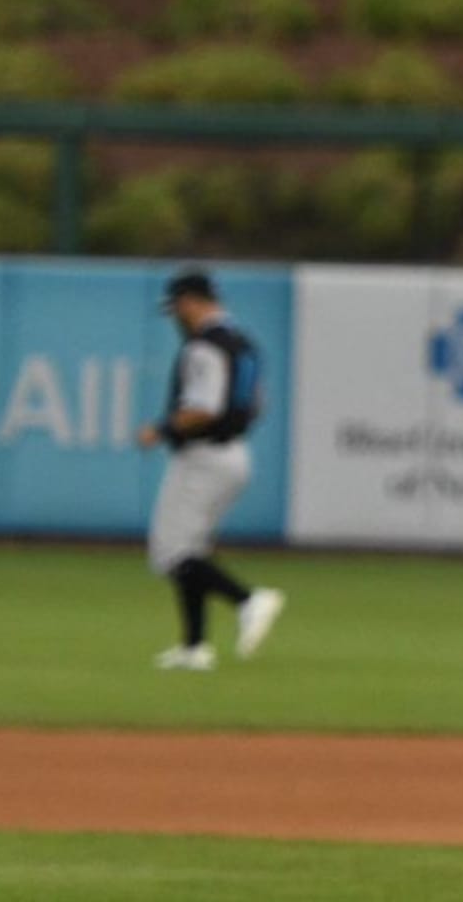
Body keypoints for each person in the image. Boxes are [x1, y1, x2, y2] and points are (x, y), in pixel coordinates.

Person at [135, 268, 284, 672]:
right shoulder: (243, 343)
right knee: (191, 550)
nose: (174, 317)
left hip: (204, 457)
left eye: (176, 308)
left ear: (189, 302)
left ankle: (248, 600)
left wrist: (160, 429)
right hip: (234, 453)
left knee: (170, 552)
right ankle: (194, 647)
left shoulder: (204, 346)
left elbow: (204, 407)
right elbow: (258, 404)